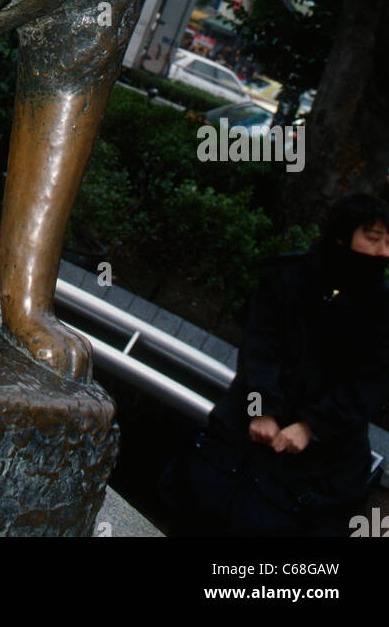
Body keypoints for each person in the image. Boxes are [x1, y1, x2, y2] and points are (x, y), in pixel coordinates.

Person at [158, 193, 389, 536]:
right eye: (373, 239)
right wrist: (262, 409)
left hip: (320, 468)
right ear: (343, 237)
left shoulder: (382, 310)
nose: (384, 252)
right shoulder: (288, 275)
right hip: (240, 438)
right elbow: (260, 346)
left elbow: (370, 384)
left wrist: (312, 426)